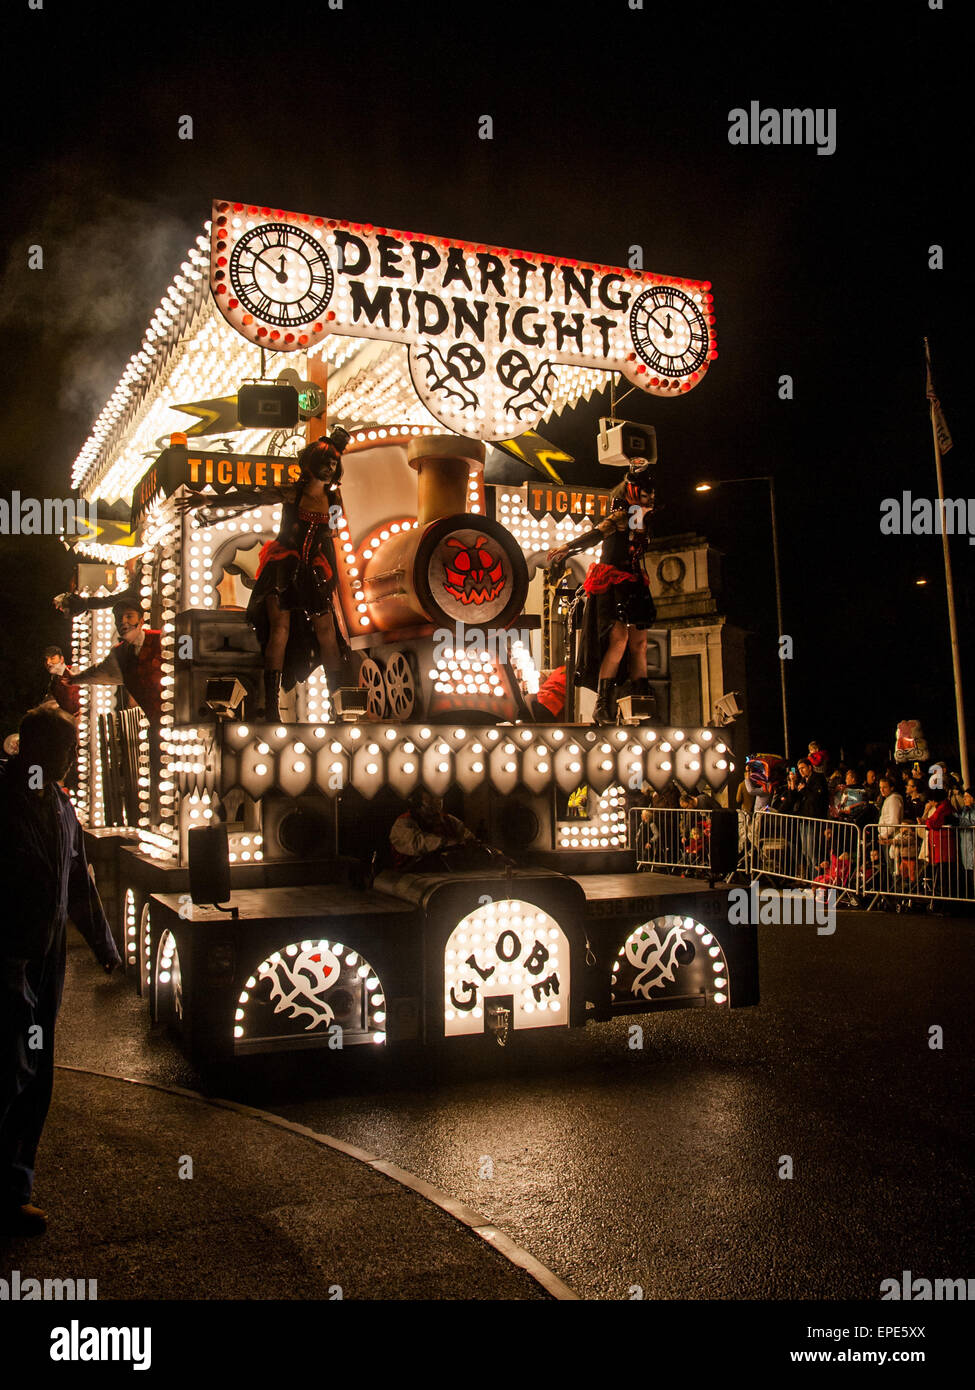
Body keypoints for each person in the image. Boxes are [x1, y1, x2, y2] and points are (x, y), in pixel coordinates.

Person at [0, 709, 120, 1236]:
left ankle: (13, 1191)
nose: (71, 760)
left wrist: (104, 945)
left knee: (36, 1071)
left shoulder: (60, 806)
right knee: (12, 1068)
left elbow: (78, 881)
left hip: (47, 960)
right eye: (65, 750)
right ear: (34, 750)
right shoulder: (6, 802)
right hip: (9, 956)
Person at [546, 464, 656, 725]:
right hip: (612, 580)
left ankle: (640, 703)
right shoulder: (620, 517)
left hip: (635, 581)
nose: (651, 498)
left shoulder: (645, 522)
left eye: (652, 494)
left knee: (639, 644)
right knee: (618, 639)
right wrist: (568, 547)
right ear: (632, 492)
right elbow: (596, 535)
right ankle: (602, 705)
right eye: (645, 493)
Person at [69, 602, 163, 725]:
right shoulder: (119, 654)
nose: (123, 621)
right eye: (119, 618)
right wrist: (73, 679)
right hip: (157, 724)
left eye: (129, 616)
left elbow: (187, 650)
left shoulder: (162, 638)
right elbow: (98, 673)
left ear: (141, 621)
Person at [389, 789, 480, 871]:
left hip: (443, 876)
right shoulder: (404, 822)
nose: (437, 800)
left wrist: (471, 843)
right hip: (409, 879)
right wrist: (448, 843)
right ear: (417, 800)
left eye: (439, 796)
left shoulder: (449, 820)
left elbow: (467, 836)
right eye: (431, 796)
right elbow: (418, 843)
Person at [40, 647, 81, 720]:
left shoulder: (74, 671)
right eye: (46, 660)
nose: (48, 663)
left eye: (52, 658)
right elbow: (50, 703)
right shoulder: (53, 684)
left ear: (61, 659)